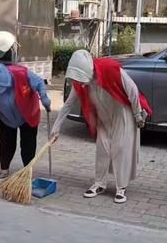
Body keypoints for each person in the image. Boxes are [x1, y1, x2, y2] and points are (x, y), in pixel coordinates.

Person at [51, 50, 151, 204]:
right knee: (102, 148)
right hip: (103, 117)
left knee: (120, 148)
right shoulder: (81, 83)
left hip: (121, 113)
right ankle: (99, 184)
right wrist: (56, 128)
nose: (81, 83)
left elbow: (132, 91)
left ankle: (121, 187)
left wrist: (138, 115)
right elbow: (68, 104)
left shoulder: (110, 68)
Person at [0, 63, 51, 184]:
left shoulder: (22, 74)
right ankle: (4, 171)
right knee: (6, 142)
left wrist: (44, 97)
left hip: (28, 114)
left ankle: (27, 172)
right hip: (5, 117)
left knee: (28, 144)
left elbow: (39, 82)